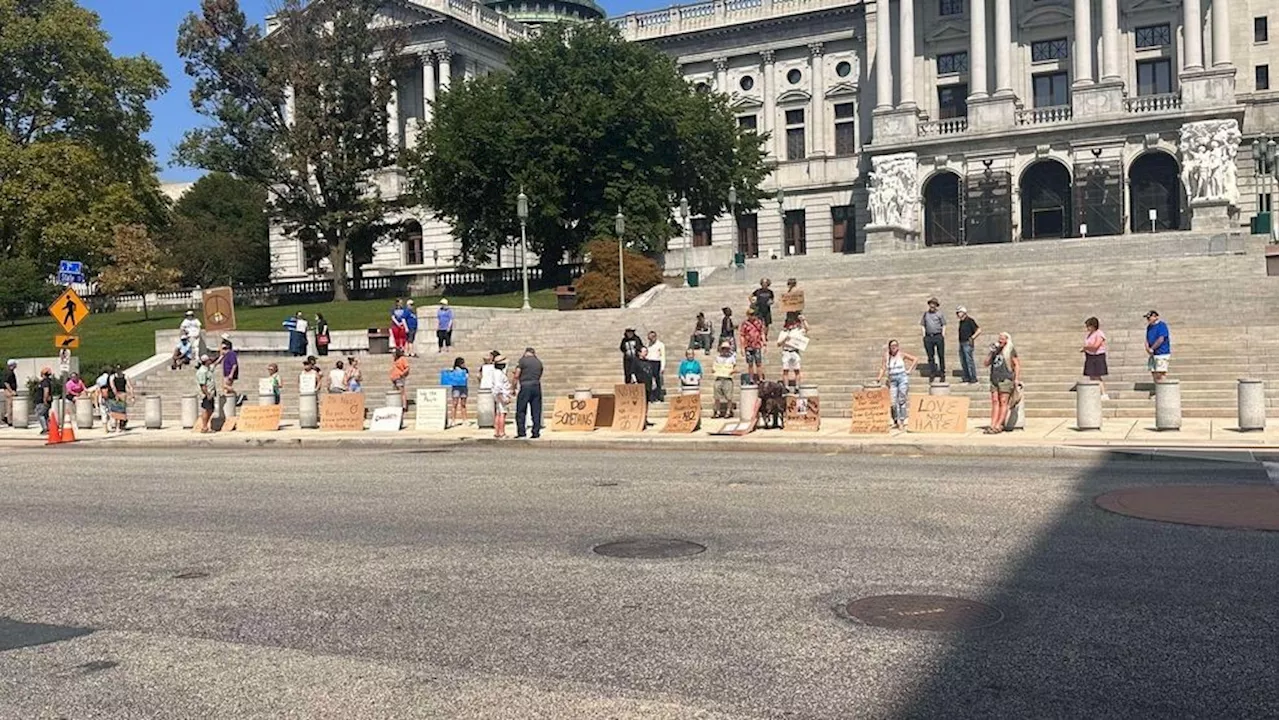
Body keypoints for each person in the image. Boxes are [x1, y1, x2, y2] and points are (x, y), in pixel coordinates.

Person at [984, 332, 1022, 434]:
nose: (1000, 340)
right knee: (995, 401)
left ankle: (998, 424)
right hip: (994, 378)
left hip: (1006, 378)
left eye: (1002, 338)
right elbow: (986, 363)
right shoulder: (995, 351)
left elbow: (1017, 364)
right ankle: (992, 424)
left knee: (1003, 401)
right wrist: (991, 352)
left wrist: (1016, 378)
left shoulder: (1010, 350)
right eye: (999, 338)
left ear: (1006, 340)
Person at [877, 340, 918, 431]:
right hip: (892, 379)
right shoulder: (887, 356)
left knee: (902, 400)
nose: (894, 347)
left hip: (902, 377)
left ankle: (902, 421)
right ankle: (895, 420)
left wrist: (909, 370)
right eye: (892, 345)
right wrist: (879, 378)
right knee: (893, 401)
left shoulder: (901, 354)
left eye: (896, 345)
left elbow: (915, 359)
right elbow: (883, 368)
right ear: (889, 347)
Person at [514, 347, 544, 439]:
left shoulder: (522, 361)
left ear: (526, 353)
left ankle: (521, 432)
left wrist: (513, 387)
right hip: (536, 385)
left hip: (525, 386)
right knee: (536, 410)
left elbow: (516, 374)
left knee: (521, 410)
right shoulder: (539, 362)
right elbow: (540, 373)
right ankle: (536, 432)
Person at [776, 314, 808, 392]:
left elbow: (807, 329)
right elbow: (778, 344)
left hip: (794, 351)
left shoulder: (797, 331)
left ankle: (797, 386)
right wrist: (785, 339)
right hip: (786, 352)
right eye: (788, 324)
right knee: (785, 370)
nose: (790, 325)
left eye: (791, 324)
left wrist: (803, 320)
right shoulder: (783, 332)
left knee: (797, 370)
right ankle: (786, 386)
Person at [1081, 317, 1109, 400]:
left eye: (1088, 326)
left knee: (1097, 376)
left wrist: (1086, 347)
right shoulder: (1090, 335)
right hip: (1090, 356)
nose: (1087, 328)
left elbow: (1096, 345)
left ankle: (1103, 393)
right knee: (1091, 375)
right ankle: (1095, 393)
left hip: (1098, 356)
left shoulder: (1099, 333)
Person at [921, 297, 947, 382]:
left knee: (941, 355)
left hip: (938, 335)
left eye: (934, 304)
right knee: (930, 356)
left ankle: (942, 372)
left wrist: (942, 334)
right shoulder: (926, 314)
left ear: (936, 305)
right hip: (928, 336)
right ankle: (932, 372)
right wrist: (924, 335)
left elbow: (943, 324)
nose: (932, 305)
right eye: (931, 304)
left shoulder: (939, 314)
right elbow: (922, 324)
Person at [740, 307, 767, 384]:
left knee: (759, 362)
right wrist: (742, 347)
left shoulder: (759, 322)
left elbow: (762, 332)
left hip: (757, 345)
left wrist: (764, 342)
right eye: (751, 314)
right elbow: (742, 335)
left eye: (754, 314)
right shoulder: (745, 324)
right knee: (750, 363)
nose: (752, 316)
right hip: (748, 345)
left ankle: (760, 378)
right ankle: (751, 379)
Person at [956, 307, 981, 384]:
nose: (957, 314)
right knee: (963, 361)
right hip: (961, 343)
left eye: (959, 312)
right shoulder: (961, 322)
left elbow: (979, 330)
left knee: (969, 360)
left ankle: (973, 378)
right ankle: (966, 377)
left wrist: (972, 338)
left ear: (963, 312)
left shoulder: (970, 320)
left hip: (967, 343)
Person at [1144, 310, 1171, 383]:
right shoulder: (1149, 327)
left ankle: (1162, 391)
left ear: (1155, 317)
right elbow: (1147, 338)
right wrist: (1147, 348)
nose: (1148, 320)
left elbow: (1161, 338)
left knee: (1161, 373)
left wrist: (1152, 348)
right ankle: (1157, 390)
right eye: (1147, 318)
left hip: (1162, 353)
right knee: (1154, 372)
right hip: (1153, 354)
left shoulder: (1162, 325)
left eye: (1149, 318)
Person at [711, 342, 737, 418]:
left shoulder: (732, 358)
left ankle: (728, 411)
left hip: (728, 378)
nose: (725, 350)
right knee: (717, 396)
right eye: (723, 349)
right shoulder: (717, 358)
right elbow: (713, 367)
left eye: (726, 349)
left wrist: (733, 370)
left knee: (729, 397)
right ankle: (717, 411)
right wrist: (714, 370)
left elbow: (735, 367)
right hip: (719, 377)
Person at [107, 364, 133, 432]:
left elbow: (129, 385)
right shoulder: (112, 377)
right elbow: (112, 386)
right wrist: (116, 394)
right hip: (117, 394)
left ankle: (120, 425)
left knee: (121, 411)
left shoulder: (125, 376)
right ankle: (116, 425)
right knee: (116, 410)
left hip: (123, 394)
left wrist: (131, 394)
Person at [196, 355, 218, 433]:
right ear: (205, 361)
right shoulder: (202, 371)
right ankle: (204, 427)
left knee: (211, 409)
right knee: (206, 409)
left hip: (211, 393)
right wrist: (207, 394)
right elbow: (203, 385)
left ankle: (206, 425)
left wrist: (222, 355)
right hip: (206, 394)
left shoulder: (208, 369)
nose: (210, 361)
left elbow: (215, 363)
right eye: (208, 360)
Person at [491, 354, 511, 438]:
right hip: (501, 394)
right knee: (502, 413)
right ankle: (501, 432)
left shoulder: (495, 372)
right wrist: (502, 398)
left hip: (498, 394)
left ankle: (497, 431)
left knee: (498, 413)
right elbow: (498, 387)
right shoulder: (499, 374)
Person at [646, 331, 667, 402]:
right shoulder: (648, 345)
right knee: (650, 380)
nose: (650, 340)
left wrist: (662, 367)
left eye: (652, 338)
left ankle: (658, 395)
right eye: (649, 338)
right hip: (649, 362)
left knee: (657, 380)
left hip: (657, 362)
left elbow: (663, 356)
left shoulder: (660, 345)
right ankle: (651, 396)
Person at [220, 339, 242, 405]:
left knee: (225, 386)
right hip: (226, 373)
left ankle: (237, 395)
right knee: (226, 390)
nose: (222, 350)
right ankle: (231, 402)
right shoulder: (226, 355)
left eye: (223, 348)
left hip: (229, 374)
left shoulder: (231, 354)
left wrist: (231, 374)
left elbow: (234, 365)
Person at [449, 356, 470, 426]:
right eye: (462, 363)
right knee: (454, 404)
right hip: (456, 388)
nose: (463, 364)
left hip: (463, 387)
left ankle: (465, 419)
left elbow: (466, 377)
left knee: (463, 404)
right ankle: (452, 419)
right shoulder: (453, 370)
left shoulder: (465, 370)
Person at [33, 367, 53, 434]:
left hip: (42, 401)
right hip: (41, 401)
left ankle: (45, 429)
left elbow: (46, 391)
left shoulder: (45, 382)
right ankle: (49, 427)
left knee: (40, 414)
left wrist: (45, 400)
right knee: (45, 415)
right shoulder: (47, 381)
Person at [2, 359, 17, 426]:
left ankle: (6, 417)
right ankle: (9, 421)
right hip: (9, 391)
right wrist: (12, 391)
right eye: (15, 364)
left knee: (10, 405)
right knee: (10, 406)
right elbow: (6, 383)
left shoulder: (9, 372)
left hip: (8, 391)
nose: (16, 365)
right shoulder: (9, 373)